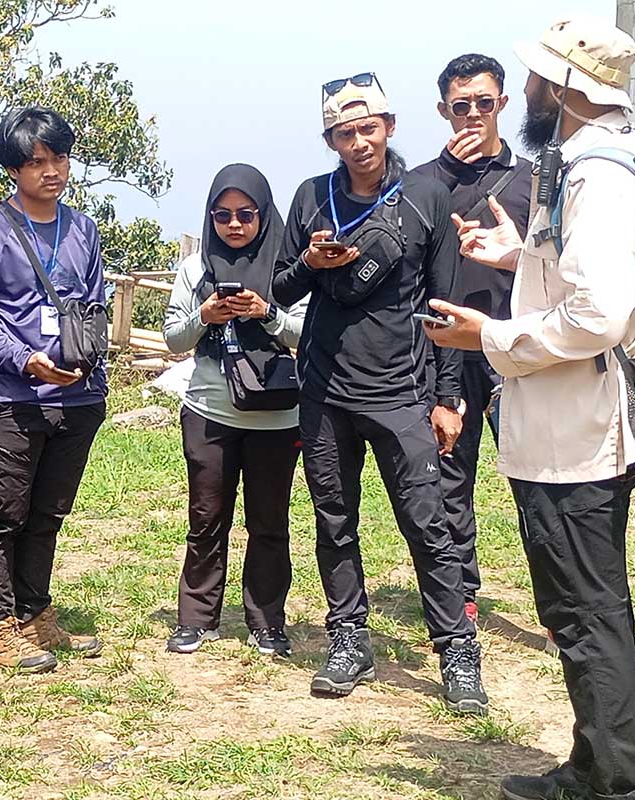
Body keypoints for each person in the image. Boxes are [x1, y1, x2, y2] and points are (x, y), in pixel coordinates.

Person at [425, 17, 635, 800]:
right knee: (578, 607)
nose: (524, 90)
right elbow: (588, 279)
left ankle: (617, 786)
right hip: (565, 422)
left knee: (589, 613)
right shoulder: (593, 163)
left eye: (532, 78)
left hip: (576, 430)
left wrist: (491, 334)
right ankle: (593, 767)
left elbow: (601, 313)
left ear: (562, 90)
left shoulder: (602, 175)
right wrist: (521, 255)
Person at [271, 74, 487, 713]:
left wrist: (448, 398)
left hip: (402, 393)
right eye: (345, 132)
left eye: (369, 128)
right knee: (334, 522)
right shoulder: (312, 197)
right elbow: (280, 292)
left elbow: (444, 307)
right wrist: (312, 263)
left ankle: (456, 651)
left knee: (429, 525)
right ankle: (348, 637)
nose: (359, 141)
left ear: (390, 126)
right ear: (330, 139)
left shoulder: (424, 195)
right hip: (324, 392)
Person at [0, 106, 107, 673]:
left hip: (77, 394)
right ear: (14, 169)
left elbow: (92, 304)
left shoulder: (83, 229)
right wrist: (28, 361)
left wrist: (82, 363)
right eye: (37, 161)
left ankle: (35, 611)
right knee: (5, 512)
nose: (52, 171)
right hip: (12, 397)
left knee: (48, 513)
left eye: (60, 157)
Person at [162, 164, 305, 656]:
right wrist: (204, 317)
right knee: (206, 518)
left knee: (269, 521)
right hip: (209, 411)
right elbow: (173, 338)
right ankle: (197, 618)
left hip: (277, 414)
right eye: (222, 215)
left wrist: (267, 313)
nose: (235, 224)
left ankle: (267, 621)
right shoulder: (195, 269)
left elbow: (307, 335)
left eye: (246, 214)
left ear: (265, 215)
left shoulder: (288, 273)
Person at [412, 54, 532, 624]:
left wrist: (511, 258)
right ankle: (460, 590)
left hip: (516, 346)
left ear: (502, 104)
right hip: (448, 348)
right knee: (450, 478)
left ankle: (559, 600)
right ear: (444, 111)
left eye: (485, 103)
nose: (474, 115)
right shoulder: (426, 183)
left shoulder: (535, 183)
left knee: (536, 478)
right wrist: (445, 177)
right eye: (462, 106)